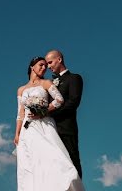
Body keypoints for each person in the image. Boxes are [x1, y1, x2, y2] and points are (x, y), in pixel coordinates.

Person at [15, 56, 85, 191]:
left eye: (45, 66)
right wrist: (17, 134)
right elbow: (20, 113)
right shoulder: (21, 90)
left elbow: (59, 100)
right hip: (27, 130)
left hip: (44, 125)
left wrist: (43, 112)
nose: (44, 68)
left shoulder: (47, 83)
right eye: (41, 65)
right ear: (32, 67)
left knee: (52, 157)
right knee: (32, 163)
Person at [45, 50, 84, 179]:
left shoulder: (74, 78)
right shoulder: (49, 83)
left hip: (67, 127)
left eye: (50, 62)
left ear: (59, 60)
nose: (48, 67)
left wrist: (50, 114)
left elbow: (73, 103)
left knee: (71, 160)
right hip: (50, 129)